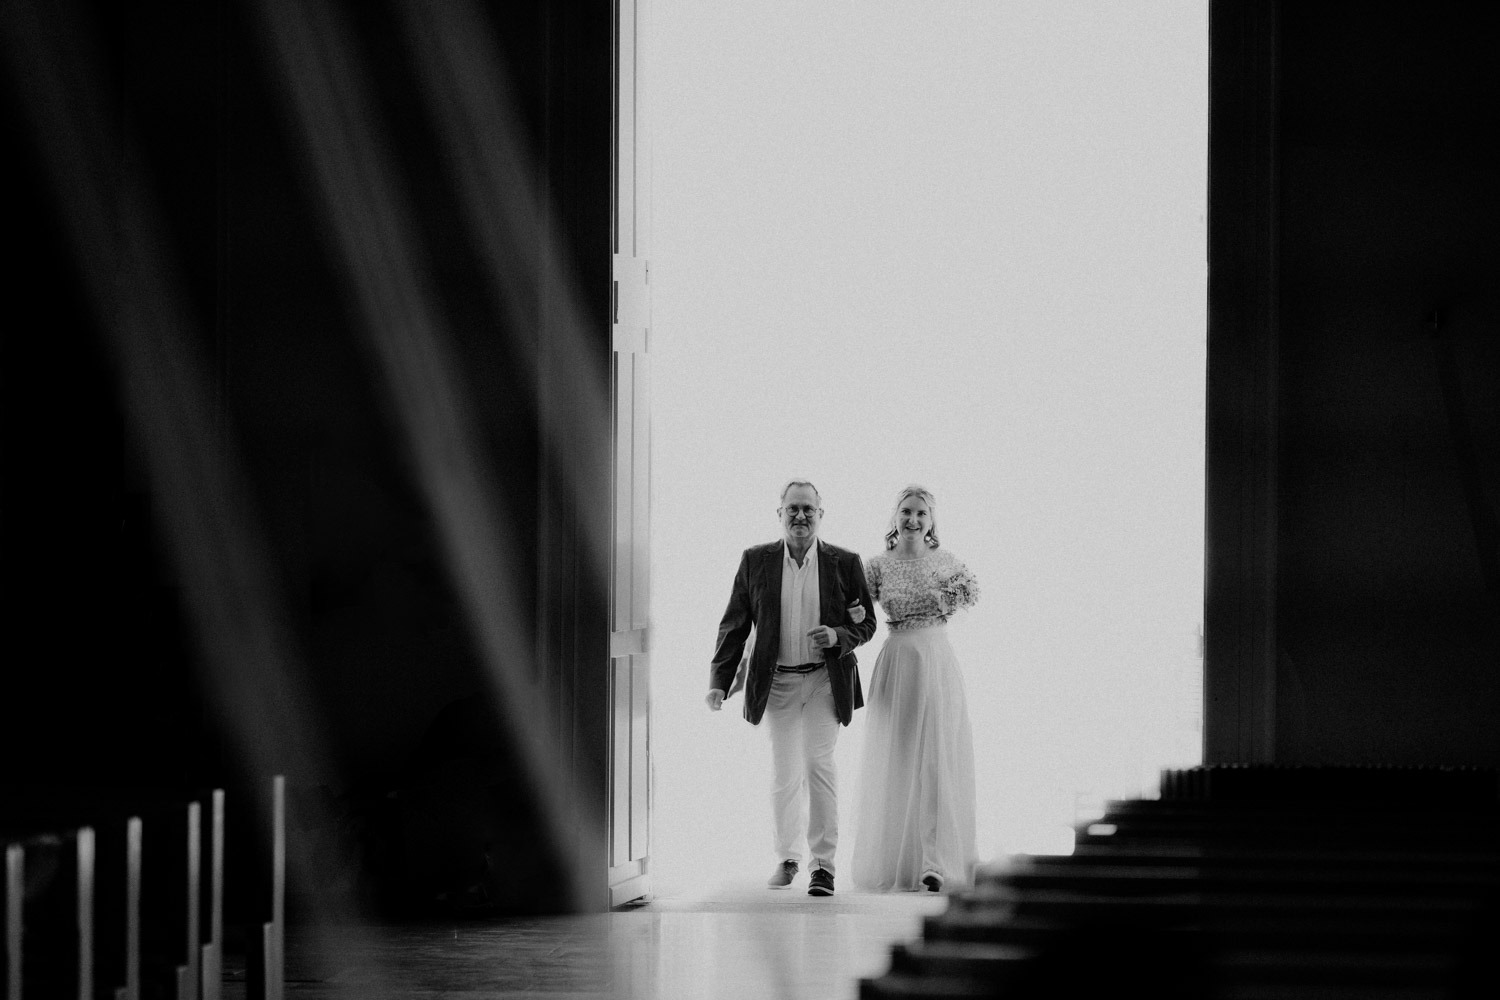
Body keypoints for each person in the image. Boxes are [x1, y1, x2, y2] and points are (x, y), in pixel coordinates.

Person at [706, 480, 877, 896]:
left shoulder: (845, 562)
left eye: (808, 509)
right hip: (777, 681)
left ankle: (823, 867)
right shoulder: (755, 560)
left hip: (824, 680)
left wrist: (838, 636)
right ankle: (787, 858)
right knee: (785, 774)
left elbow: (867, 624)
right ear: (779, 513)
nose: (800, 516)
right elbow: (734, 624)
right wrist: (719, 682)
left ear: (821, 514)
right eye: (793, 509)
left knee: (819, 766)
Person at [851, 484, 980, 892]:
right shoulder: (876, 566)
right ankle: (897, 860)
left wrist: (953, 599)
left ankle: (934, 861)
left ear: (931, 521)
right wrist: (853, 613)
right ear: (895, 517)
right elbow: (858, 613)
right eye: (906, 511)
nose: (913, 519)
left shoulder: (946, 561)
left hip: (936, 660)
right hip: (898, 662)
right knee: (899, 757)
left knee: (936, 757)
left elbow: (968, 598)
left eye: (921, 513)